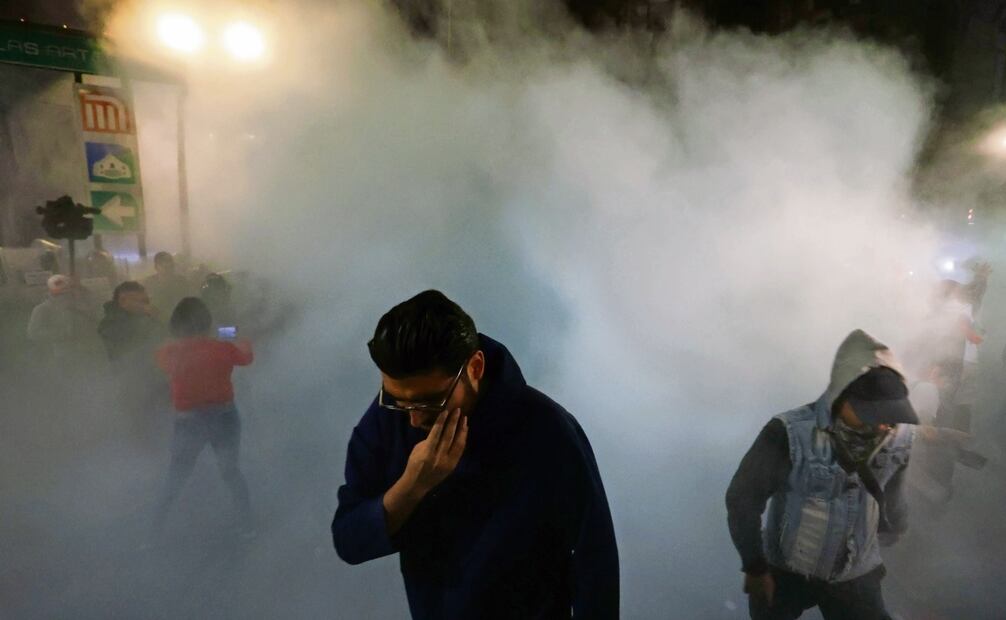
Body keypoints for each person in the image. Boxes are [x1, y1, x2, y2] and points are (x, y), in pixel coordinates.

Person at [331, 290, 619, 619]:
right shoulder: (387, 422)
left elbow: (595, 560)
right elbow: (349, 541)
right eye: (397, 400)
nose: (414, 419)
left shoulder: (548, 431)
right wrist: (412, 486)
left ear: (475, 367)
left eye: (431, 401)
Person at [726, 329, 918, 620]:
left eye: (890, 413)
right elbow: (743, 499)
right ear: (841, 397)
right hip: (785, 569)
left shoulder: (901, 436)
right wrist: (754, 566)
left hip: (855, 573)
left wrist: (895, 524)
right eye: (872, 412)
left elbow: (893, 491)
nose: (883, 424)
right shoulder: (790, 433)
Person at [151, 297, 255, 539]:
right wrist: (234, 335)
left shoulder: (169, 352)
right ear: (207, 323)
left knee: (176, 475)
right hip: (224, 416)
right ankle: (247, 526)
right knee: (230, 471)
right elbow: (246, 357)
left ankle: (153, 531)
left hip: (188, 420)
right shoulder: (222, 347)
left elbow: (163, 358)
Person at [27, 274, 100, 364]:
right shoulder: (42, 309)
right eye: (62, 293)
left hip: (87, 352)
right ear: (52, 291)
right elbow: (33, 333)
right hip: (60, 356)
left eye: (68, 291)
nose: (66, 295)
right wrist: (63, 333)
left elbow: (96, 322)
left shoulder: (81, 307)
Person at [144, 252, 193, 319]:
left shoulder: (181, 281)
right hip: (156, 319)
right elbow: (146, 304)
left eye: (170, 264)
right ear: (156, 267)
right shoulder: (150, 282)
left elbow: (188, 301)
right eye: (163, 264)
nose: (167, 265)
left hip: (178, 318)